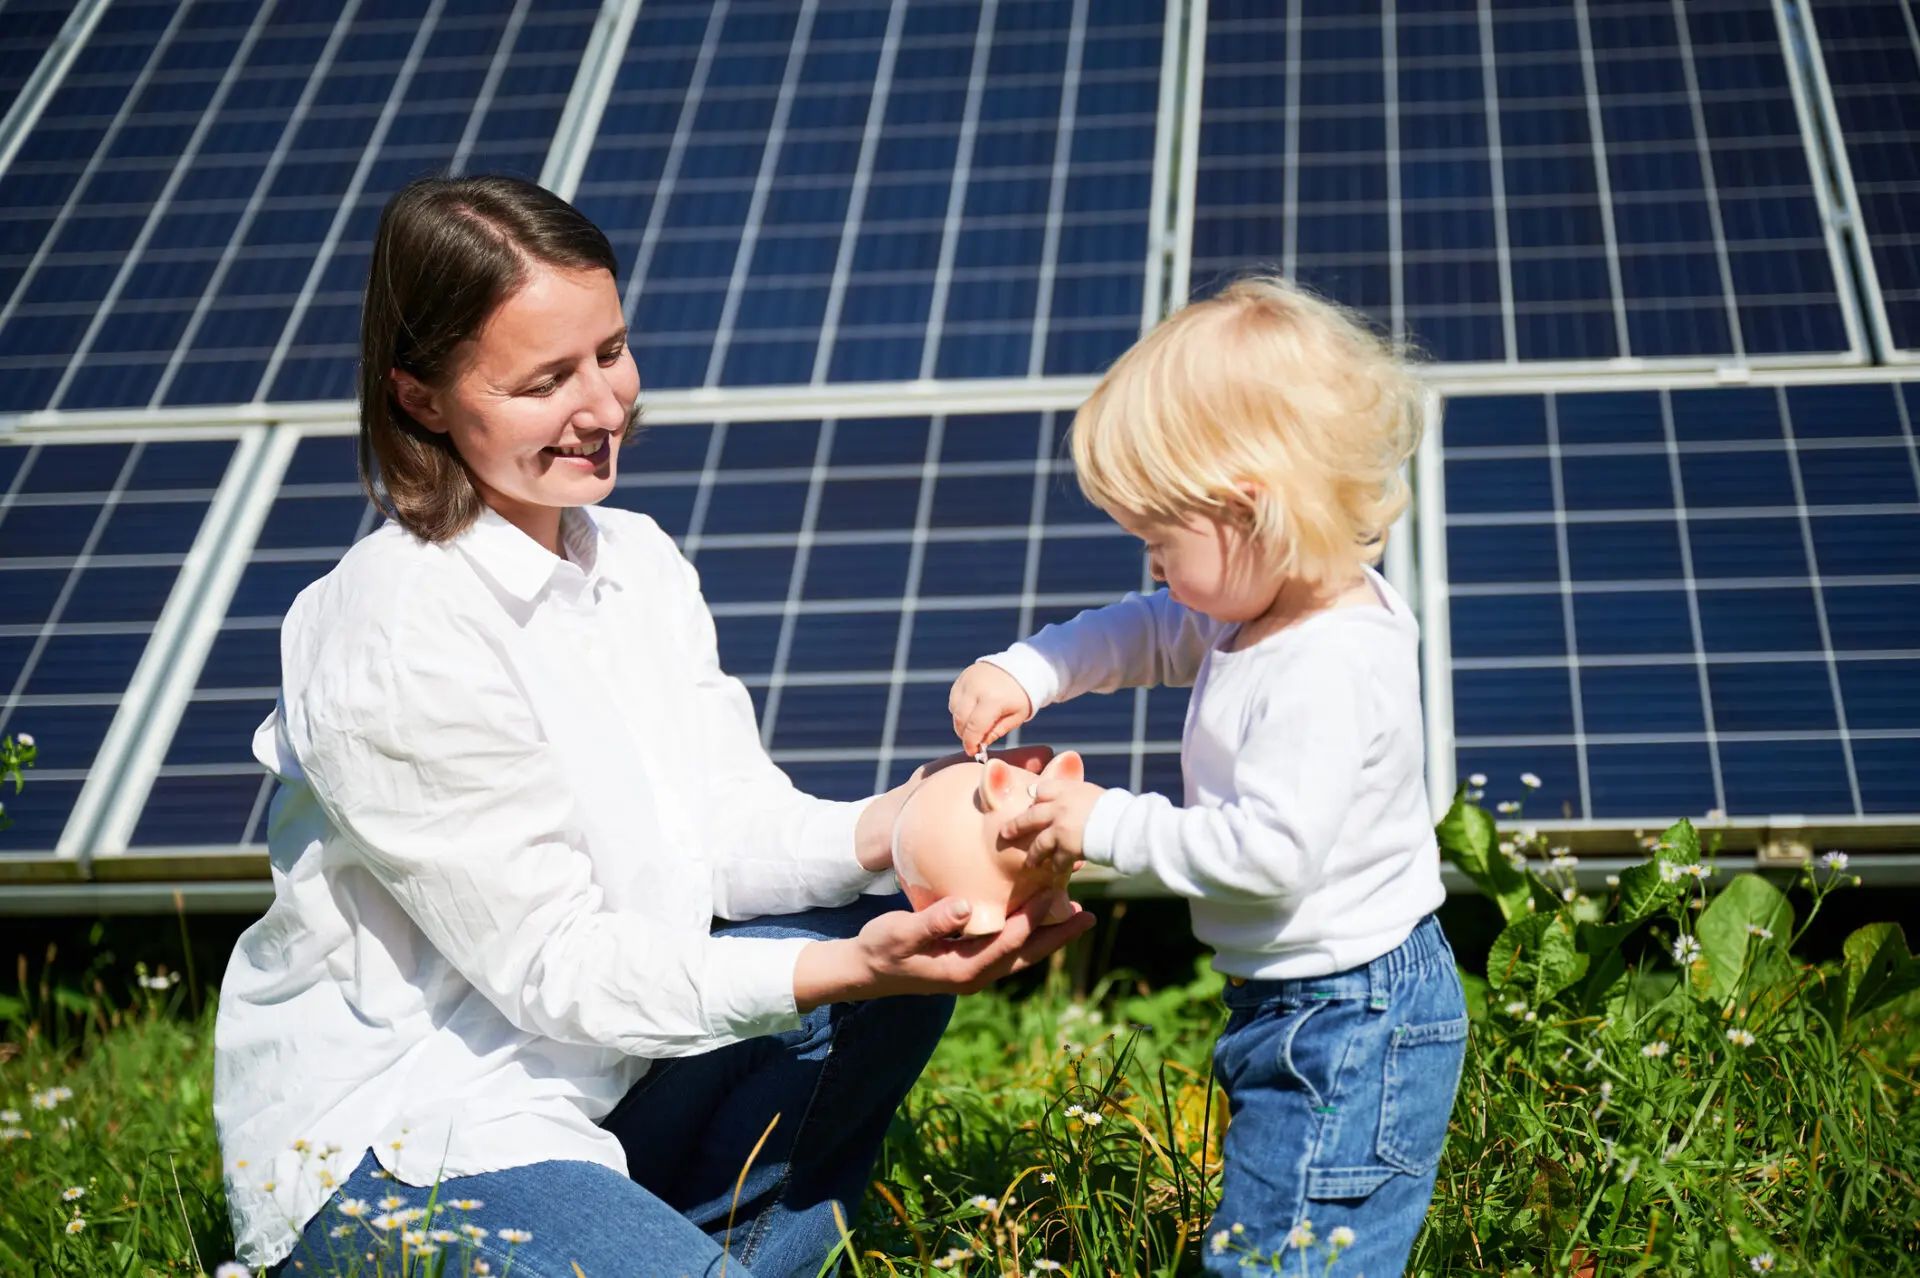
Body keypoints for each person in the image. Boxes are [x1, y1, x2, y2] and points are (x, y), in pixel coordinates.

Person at [212, 175, 1094, 1278]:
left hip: (603, 1084)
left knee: (903, 926)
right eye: (547, 381)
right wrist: (845, 966)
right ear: (424, 399)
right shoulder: (391, 627)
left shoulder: (633, 561)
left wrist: (910, 825)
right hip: (417, 1137)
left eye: (611, 352)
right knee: (857, 966)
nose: (605, 406)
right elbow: (554, 969)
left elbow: (720, 828)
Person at [948, 277, 1466, 1275]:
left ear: (1250, 513)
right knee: (1275, 1236)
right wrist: (1033, 669)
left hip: (1349, 1023)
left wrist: (1100, 822)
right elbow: (1151, 628)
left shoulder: (1323, 668)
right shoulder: (1269, 604)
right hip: (1308, 1004)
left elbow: (1267, 855)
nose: (1151, 569)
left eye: (1158, 542)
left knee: (1286, 1258)